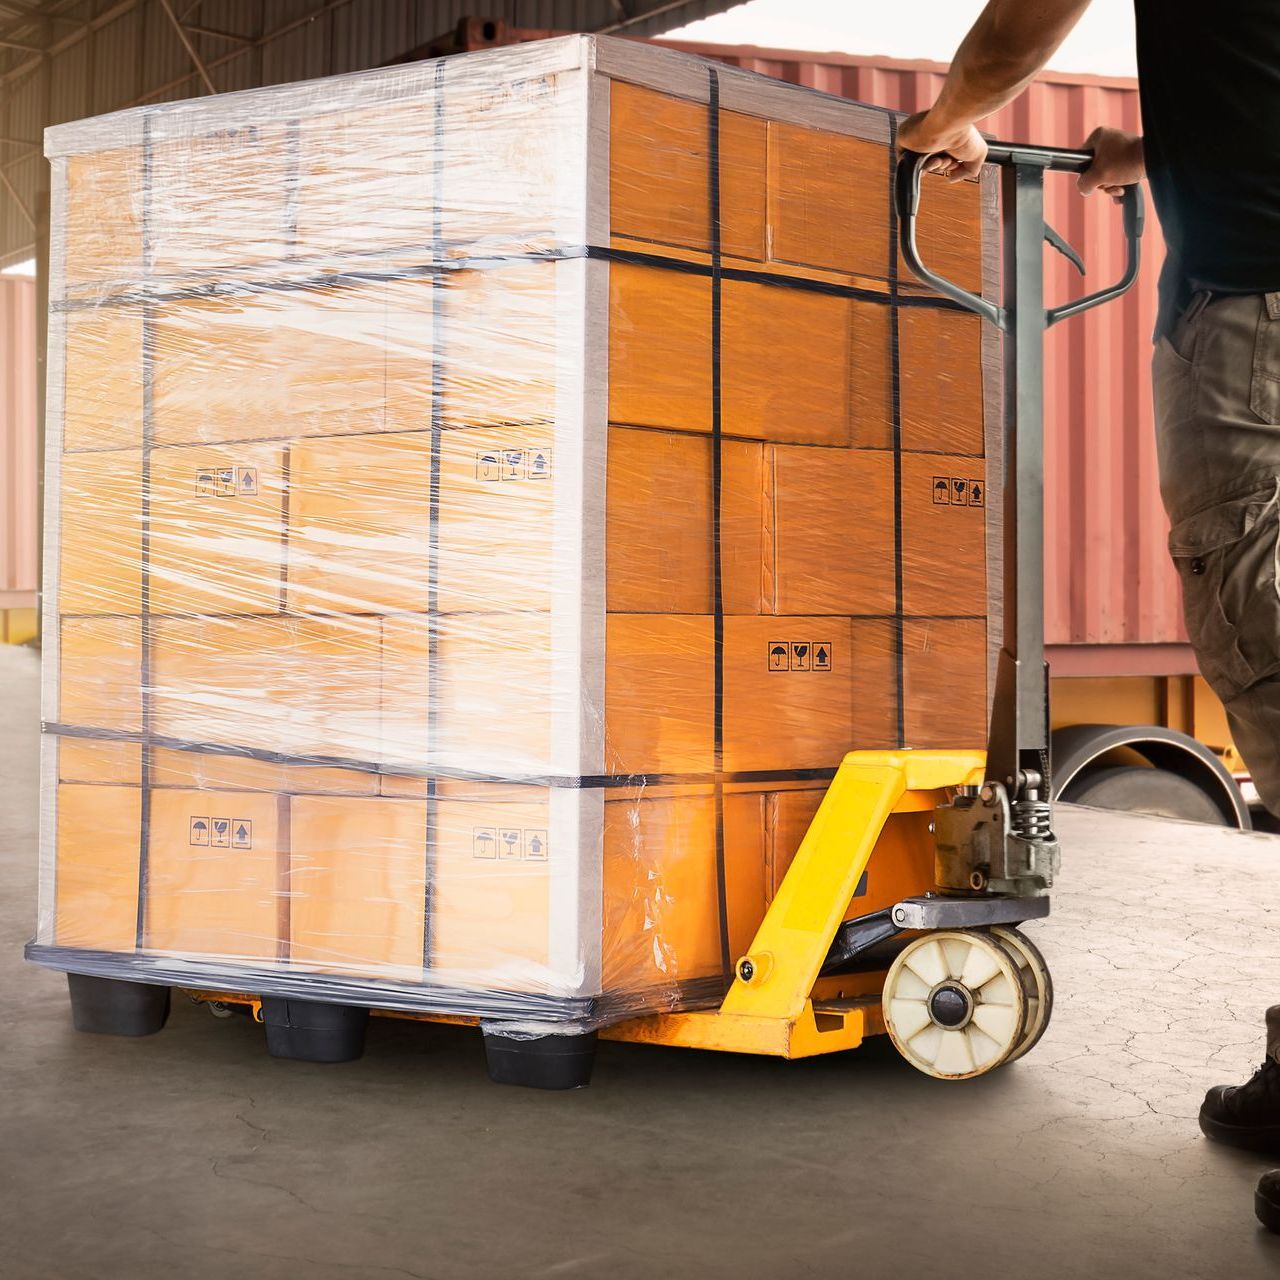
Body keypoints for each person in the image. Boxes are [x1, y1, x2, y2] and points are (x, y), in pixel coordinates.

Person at [898, 0, 1280, 1233]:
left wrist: (948, 120)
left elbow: (1021, 19)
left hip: (1257, 314)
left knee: (1267, 652)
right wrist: (1154, 155)